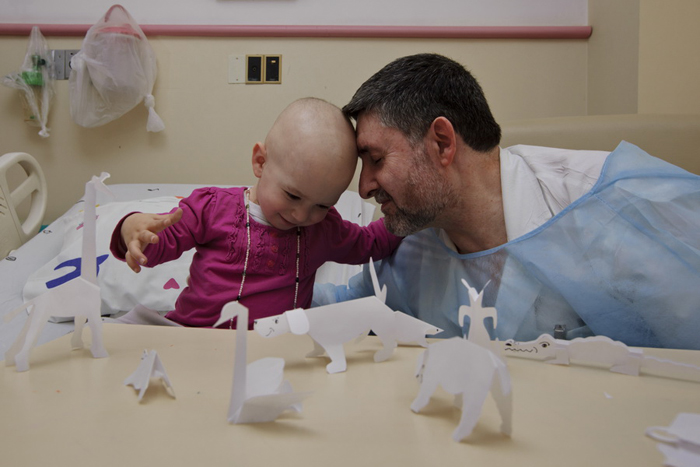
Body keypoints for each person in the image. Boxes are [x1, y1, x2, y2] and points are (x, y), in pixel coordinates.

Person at [313, 53, 700, 350]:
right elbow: (339, 308)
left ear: (442, 143)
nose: (364, 187)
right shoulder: (412, 245)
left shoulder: (605, 208)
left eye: (376, 159)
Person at [111, 97, 402, 329]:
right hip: (195, 335)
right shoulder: (212, 208)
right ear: (261, 162)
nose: (302, 215)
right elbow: (157, 244)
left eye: (322, 205)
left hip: (277, 347)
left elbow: (370, 243)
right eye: (292, 195)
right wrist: (131, 230)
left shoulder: (324, 229)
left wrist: (408, 210)